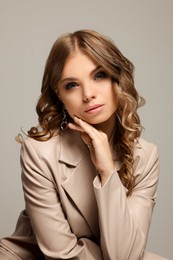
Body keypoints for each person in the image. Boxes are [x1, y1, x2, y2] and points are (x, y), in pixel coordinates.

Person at [0, 29, 168, 260]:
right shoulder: (40, 152)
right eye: (72, 85)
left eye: (99, 75)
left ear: (117, 78)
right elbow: (61, 255)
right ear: (59, 94)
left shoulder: (145, 156)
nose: (88, 94)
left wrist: (107, 171)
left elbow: (124, 256)